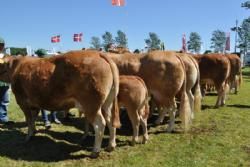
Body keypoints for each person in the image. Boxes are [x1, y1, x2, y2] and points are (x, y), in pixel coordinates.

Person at [0, 37, 13, 125]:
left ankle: (3, 118)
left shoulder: (6, 56)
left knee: (4, 101)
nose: (0, 46)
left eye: (1, 45)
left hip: (4, 82)